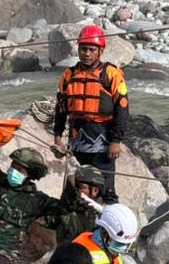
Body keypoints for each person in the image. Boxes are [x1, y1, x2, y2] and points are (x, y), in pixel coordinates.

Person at [52, 25, 130, 204]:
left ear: (100, 51)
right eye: (83, 49)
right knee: (74, 188)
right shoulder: (68, 75)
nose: (87, 53)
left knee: (106, 190)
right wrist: (57, 137)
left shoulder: (111, 74)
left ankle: (106, 229)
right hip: (77, 140)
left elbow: (123, 108)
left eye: (91, 50)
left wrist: (116, 140)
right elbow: (60, 107)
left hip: (103, 140)